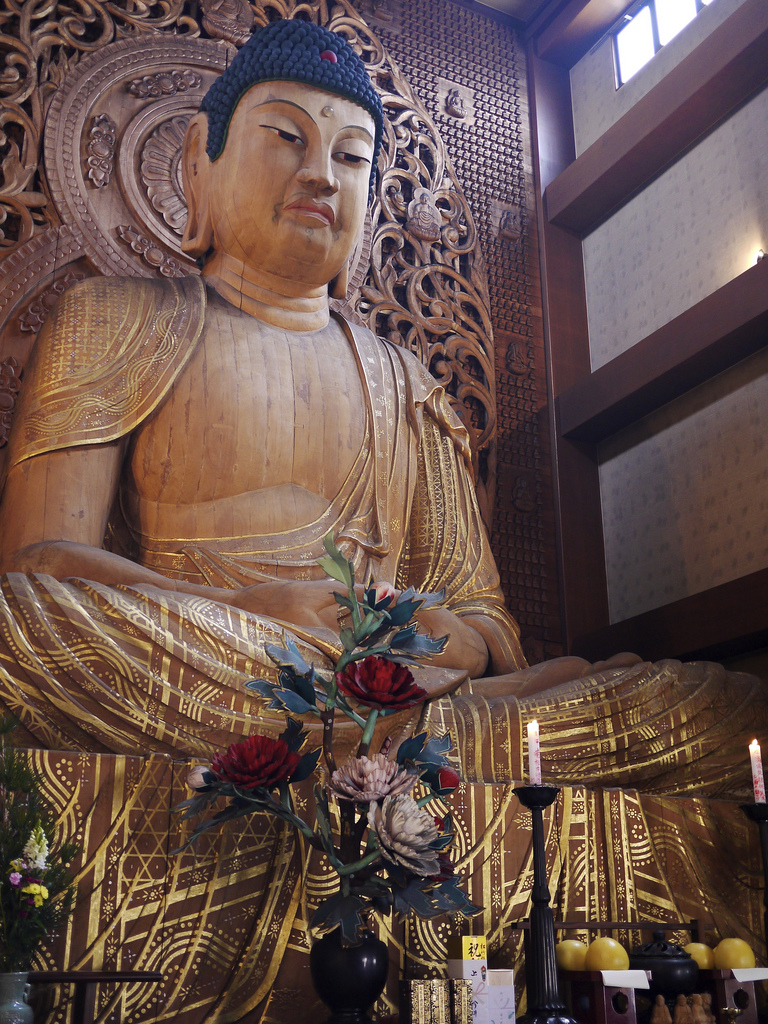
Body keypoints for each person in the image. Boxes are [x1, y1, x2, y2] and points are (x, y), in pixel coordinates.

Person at [0, 18, 763, 786]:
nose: (322, 176)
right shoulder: (114, 316)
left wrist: (445, 643)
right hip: (209, 657)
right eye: (286, 138)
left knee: (717, 709)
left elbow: (483, 621)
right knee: (18, 629)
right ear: (201, 161)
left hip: (401, 698)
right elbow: (40, 567)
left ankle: (372, 739)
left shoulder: (405, 383)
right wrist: (261, 604)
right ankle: (362, 742)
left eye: (351, 157)